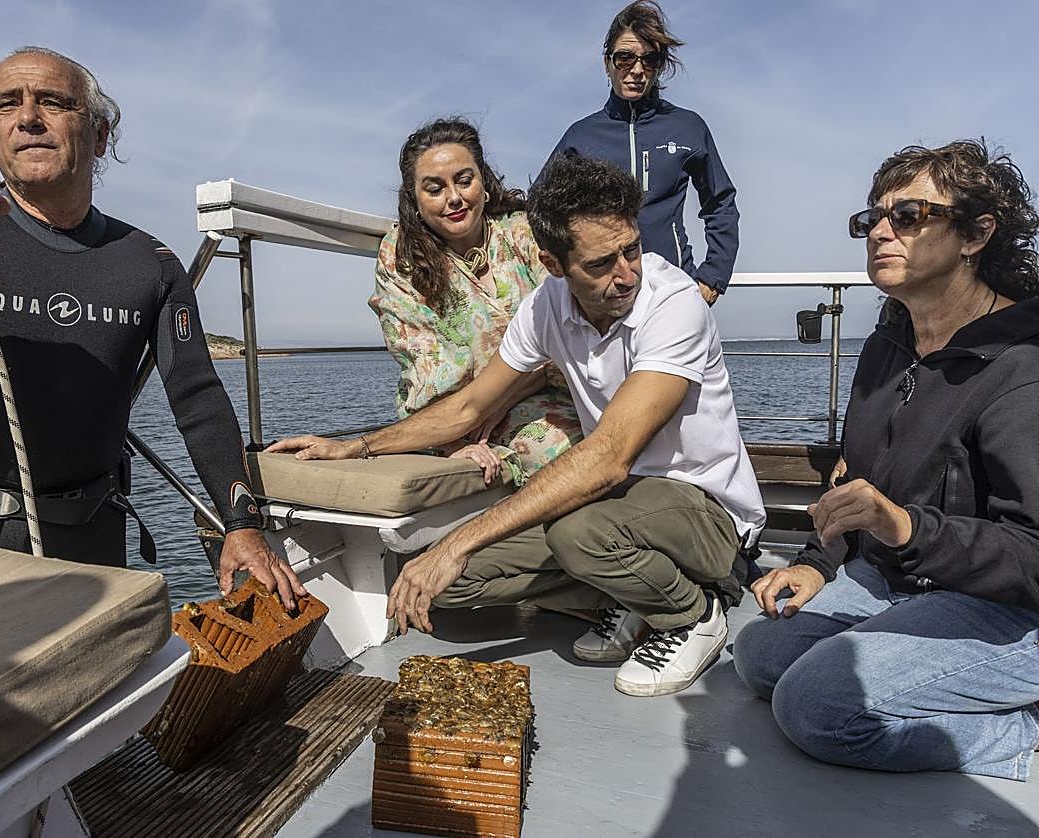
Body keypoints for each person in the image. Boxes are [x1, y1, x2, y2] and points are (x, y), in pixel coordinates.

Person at [270, 155, 764, 697]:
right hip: (624, 505)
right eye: (601, 264)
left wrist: (458, 540)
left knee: (576, 533)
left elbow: (609, 456)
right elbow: (469, 409)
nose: (626, 274)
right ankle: (630, 594)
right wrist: (358, 445)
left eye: (632, 250)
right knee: (446, 585)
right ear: (554, 264)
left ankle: (693, 614)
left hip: (706, 512)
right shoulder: (544, 308)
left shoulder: (673, 305)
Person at [0, 46, 304, 606]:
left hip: (94, 534)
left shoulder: (148, 261)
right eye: (7, 105)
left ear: (102, 133)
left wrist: (241, 523)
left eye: (53, 102)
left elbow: (198, 397)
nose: (28, 118)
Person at [732, 140, 1039, 780]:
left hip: (1012, 608)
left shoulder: (1022, 366)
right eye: (871, 218)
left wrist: (904, 528)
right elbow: (859, 475)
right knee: (760, 654)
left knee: (816, 707)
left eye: (908, 216)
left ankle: (1021, 732)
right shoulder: (891, 341)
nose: (879, 232)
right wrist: (819, 564)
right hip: (906, 579)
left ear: (976, 233)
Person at [370, 117, 582, 486]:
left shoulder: (524, 231)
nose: (453, 197)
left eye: (464, 181)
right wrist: (454, 437)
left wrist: (498, 400)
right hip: (454, 415)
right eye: (434, 188)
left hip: (543, 390)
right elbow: (425, 364)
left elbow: (565, 334)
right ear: (414, 199)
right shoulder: (399, 256)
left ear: (483, 182)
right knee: (552, 448)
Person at [544, 0, 738, 306]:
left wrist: (712, 278)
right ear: (607, 62)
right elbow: (541, 210)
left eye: (649, 59)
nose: (637, 69)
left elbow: (721, 203)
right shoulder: (580, 135)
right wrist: (570, 275)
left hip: (673, 291)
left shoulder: (688, 126)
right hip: (603, 298)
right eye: (625, 58)